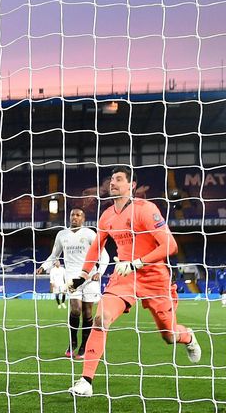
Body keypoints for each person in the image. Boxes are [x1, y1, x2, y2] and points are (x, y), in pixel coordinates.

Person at [68, 166, 201, 397]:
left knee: (169, 335)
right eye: (111, 179)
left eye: (119, 179)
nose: (113, 183)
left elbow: (171, 246)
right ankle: (86, 381)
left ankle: (188, 337)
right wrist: (82, 275)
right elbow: (95, 248)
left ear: (132, 185)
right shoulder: (107, 215)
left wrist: (137, 262)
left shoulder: (146, 209)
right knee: (101, 318)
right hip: (124, 276)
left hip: (154, 278)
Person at [37, 208, 110, 358]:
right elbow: (54, 255)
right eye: (72, 215)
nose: (74, 217)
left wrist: (99, 272)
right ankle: (73, 342)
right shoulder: (62, 235)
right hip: (72, 279)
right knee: (75, 309)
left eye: (78, 215)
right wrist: (44, 266)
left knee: (88, 312)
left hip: (90, 278)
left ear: (83, 219)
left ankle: (84, 346)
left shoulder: (90, 233)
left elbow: (104, 255)